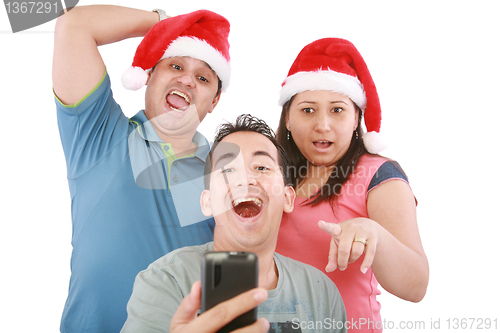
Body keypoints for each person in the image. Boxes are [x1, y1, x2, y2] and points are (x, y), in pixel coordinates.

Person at [52, 5, 231, 332]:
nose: (187, 79)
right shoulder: (99, 132)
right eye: (175, 65)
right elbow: (73, 24)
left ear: (214, 101)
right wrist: (164, 25)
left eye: (203, 77)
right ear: (148, 75)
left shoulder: (225, 175)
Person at [121, 114, 347, 332]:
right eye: (227, 169)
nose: (245, 179)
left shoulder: (320, 292)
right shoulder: (165, 281)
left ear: (287, 198)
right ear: (207, 202)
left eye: (261, 167)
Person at [274, 38, 429, 332]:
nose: (323, 125)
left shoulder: (378, 176)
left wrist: (375, 234)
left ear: (356, 116)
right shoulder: (270, 171)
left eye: (337, 110)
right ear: (288, 119)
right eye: (308, 110)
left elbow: (417, 286)